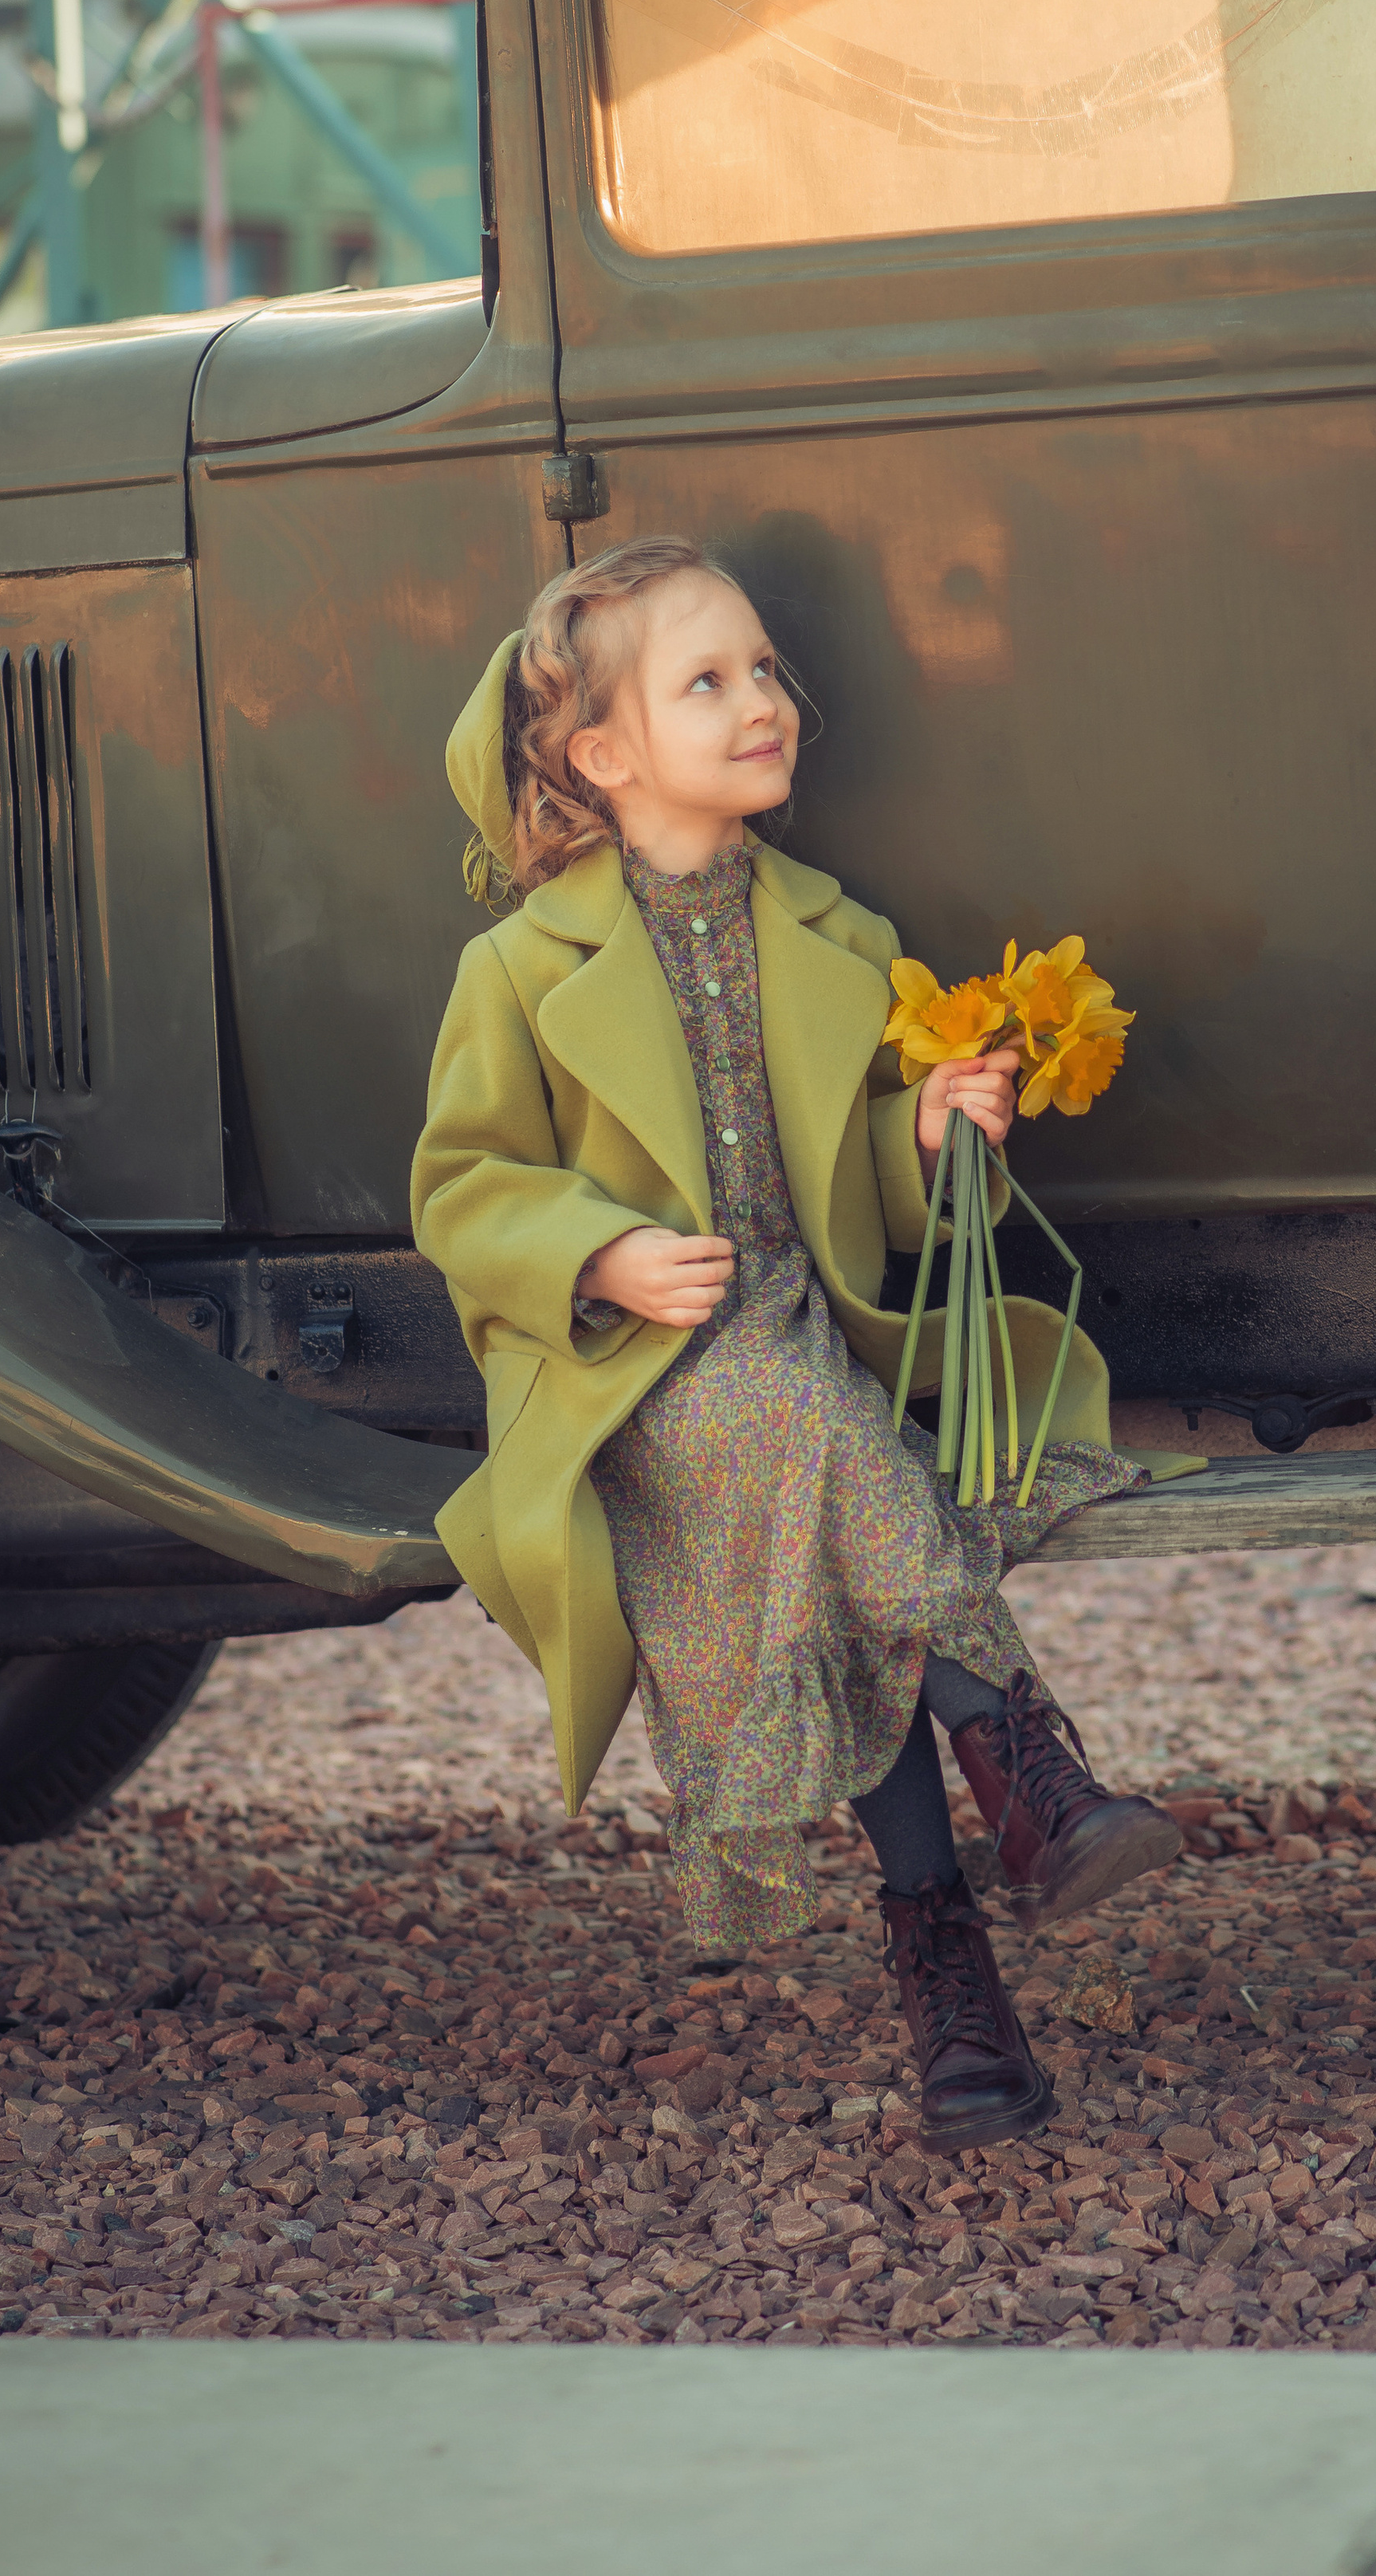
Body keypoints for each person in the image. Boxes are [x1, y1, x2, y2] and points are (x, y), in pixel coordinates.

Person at [411, 535, 1178, 2151]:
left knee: (824, 1481)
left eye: (764, 670)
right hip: (638, 1379)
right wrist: (601, 1252)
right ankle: (1020, 1761)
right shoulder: (519, 968)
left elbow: (852, 1186)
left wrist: (933, 1126)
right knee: (804, 1433)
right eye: (708, 681)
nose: (762, 701)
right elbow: (462, 1189)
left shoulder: (830, 932)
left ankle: (948, 1968)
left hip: (811, 1350)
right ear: (601, 755)